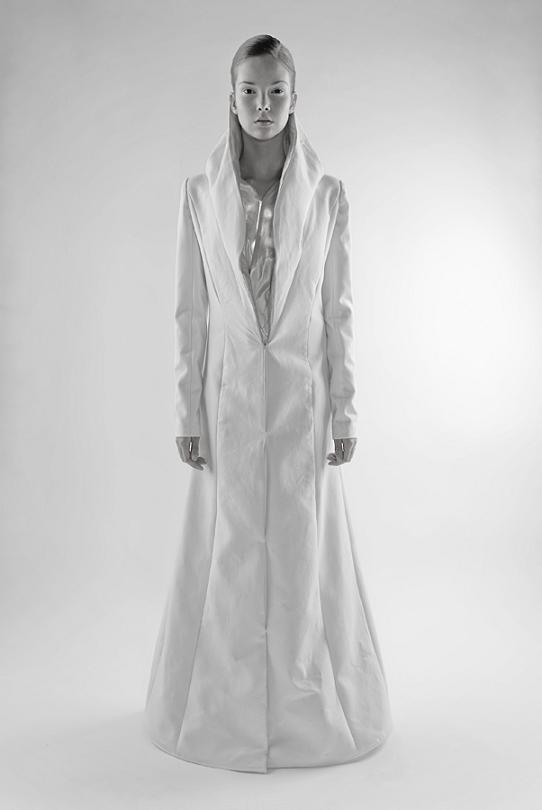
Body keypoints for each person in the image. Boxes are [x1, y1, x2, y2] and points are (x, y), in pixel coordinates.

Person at [144, 34, 393, 774]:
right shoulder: (199, 195)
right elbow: (190, 313)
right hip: (226, 406)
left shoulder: (328, 195)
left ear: (294, 98)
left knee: (303, 551)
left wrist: (345, 408)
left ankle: (305, 709)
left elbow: (338, 310)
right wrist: (186, 409)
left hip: (300, 405)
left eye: (275, 91)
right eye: (249, 91)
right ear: (231, 97)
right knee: (225, 553)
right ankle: (219, 710)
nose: (262, 105)